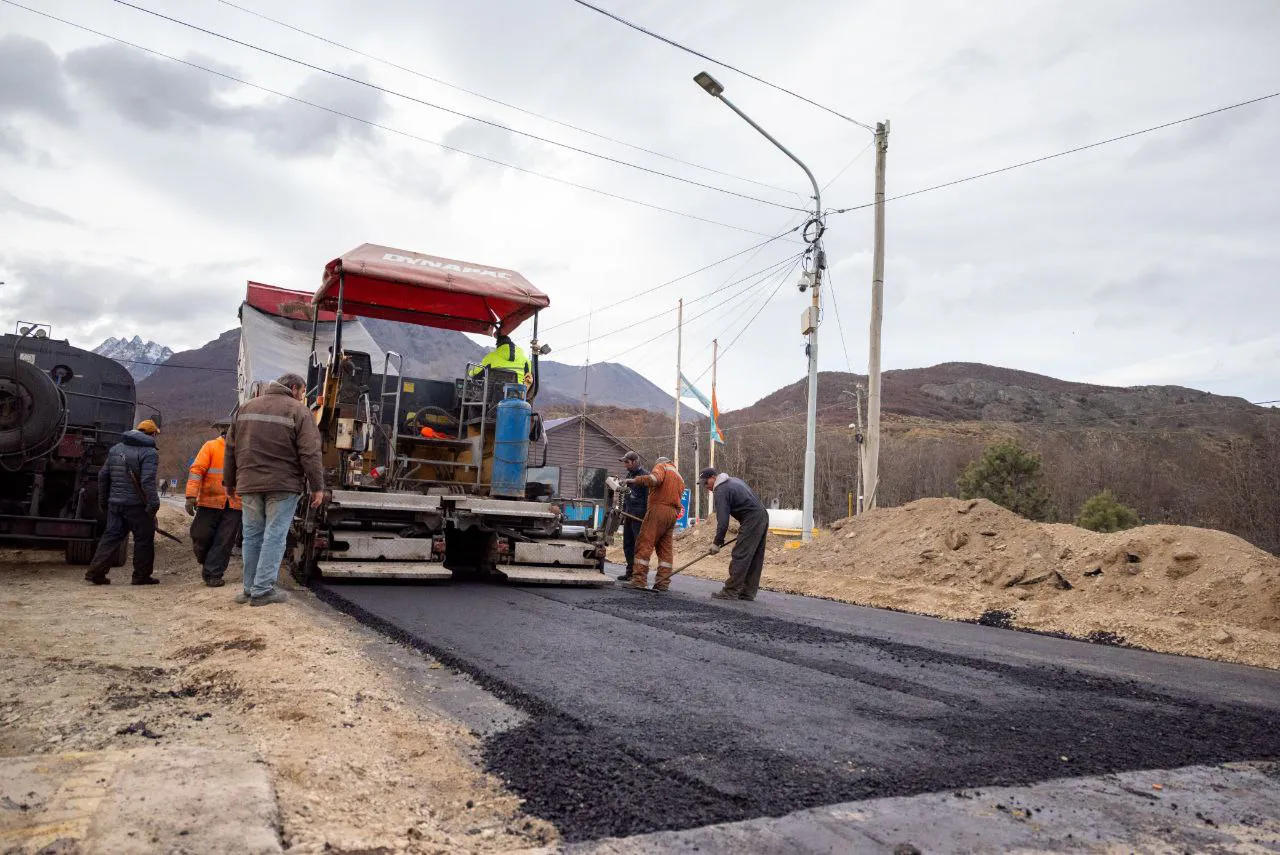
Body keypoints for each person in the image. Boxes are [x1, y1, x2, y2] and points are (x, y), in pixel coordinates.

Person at [224, 373, 325, 607]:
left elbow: (230, 449)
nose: (303, 397)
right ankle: (262, 590)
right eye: (302, 392)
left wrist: (229, 483)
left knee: (251, 536)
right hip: (283, 485)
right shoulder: (299, 412)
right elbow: (310, 453)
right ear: (293, 388)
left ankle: (249, 589)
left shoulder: (246, 408)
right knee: (274, 536)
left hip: (248, 483)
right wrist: (318, 487)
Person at [84, 419, 162, 585]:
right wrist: (154, 504)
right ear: (153, 434)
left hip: (115, 504)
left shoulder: (116, 449)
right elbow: (147, 480)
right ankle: (141, 576)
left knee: (111, 538)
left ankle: (96, 573)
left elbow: (103, 476)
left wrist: (104, 501)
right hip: (137, 506)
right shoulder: (149, 453)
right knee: (144, 539)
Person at [185, 417, 243, 588]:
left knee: (224, 541)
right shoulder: (210, 446)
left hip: (234, 504)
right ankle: (207, 561)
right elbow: (197, 471)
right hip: (209, 502)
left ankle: (214, 574)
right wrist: (190, 496)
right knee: (200, 535)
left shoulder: (244, 450)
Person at [701, 467, 769, 601]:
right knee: (754, 556)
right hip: (762, 515)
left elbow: (723, 520)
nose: (705, 486)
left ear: (713, 478)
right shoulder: (733, 481)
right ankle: (747, 592)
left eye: (705, 482)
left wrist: (717, 542)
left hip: (752, 519)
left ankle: (730, 591)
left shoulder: (720, 490)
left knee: (741, 554)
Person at [624, 456, 684, 593]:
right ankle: (663, 582)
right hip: (672, 513)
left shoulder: (661, 466)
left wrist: (634, 480)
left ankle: (639, 580)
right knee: (665, 549)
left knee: (644, 542)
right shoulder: (679, 476)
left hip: (658, 509)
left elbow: (654, 479)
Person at [617, 451, 648, 583]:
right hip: (628, 514)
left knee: (638, 545)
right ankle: (630, 572)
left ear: (635, 461)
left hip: (638, 516)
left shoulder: (645, 476)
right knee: (627, 544)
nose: (625, 465)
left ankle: (638, 574)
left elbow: (648, 498)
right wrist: (623, 512)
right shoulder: (628, 475)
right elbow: (626, 496)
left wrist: (646, 515)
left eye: (627, 462)